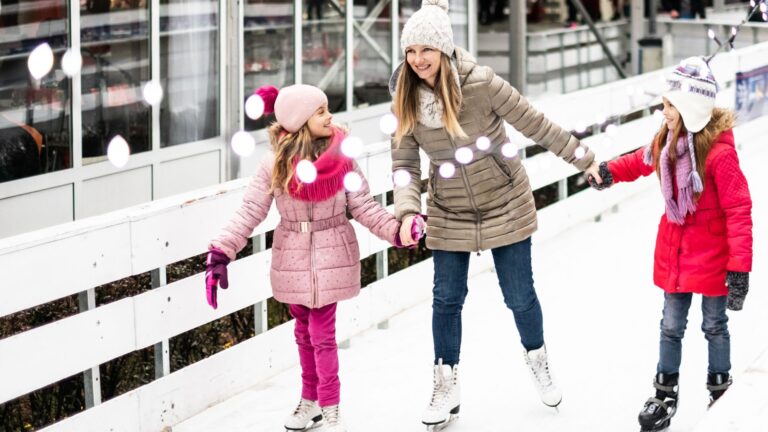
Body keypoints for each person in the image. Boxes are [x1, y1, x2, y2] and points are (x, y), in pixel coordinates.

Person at [388, 0, 602, 428]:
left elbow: (536, 123)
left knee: (519, 295)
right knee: (446, 299)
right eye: (410, 51)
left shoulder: (481, 84)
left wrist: (585, 159)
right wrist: (408, 210)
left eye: (426, 50)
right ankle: (445, 382)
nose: (418, 60)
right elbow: (404, 165)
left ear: (444, 50)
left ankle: (538, 358)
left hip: (504, 199)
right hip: (449, 208)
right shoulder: (406, 95)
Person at [205, 84, 423, 432]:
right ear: (301, 121)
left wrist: (397, 231)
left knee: (322, 333)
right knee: (304, 333)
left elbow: (364, 206)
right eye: (321, 111)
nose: (330, 116)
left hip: (331, 252)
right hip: (292, 256)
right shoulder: (274, 164)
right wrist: (221, 250)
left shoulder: (342, 159)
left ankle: (330, 403)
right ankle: (310, 401)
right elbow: (250, 210)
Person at [588, 57, 752, 432]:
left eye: (668, 105)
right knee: (670, 326)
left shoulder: (721, 155)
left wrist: (740, 268)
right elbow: (641, 161)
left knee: (714, 326)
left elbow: (739, 210)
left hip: (713, 257)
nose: (662, 112)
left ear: (690, 108)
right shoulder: (668, 140)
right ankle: (664, 392)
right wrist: (612, 171)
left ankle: (720, 388)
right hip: (677, 253)